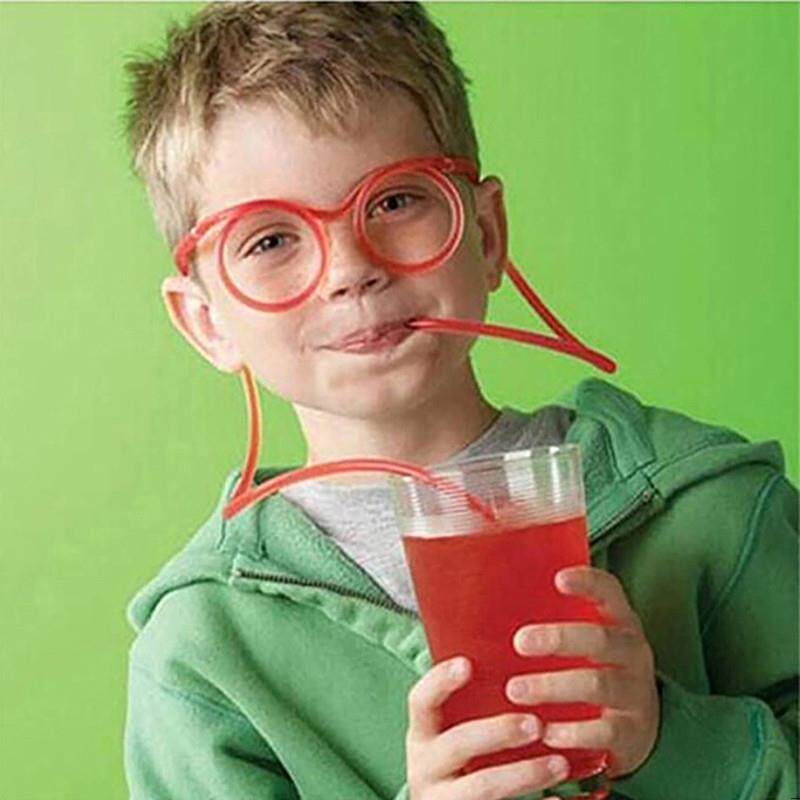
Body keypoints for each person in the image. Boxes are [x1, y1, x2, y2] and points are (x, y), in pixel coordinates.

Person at [121, 3, 798, 799]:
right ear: (206, 322)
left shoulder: (710, 508)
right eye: (269, 240)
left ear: (486, 234)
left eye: (394, 202)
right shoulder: (203, 655)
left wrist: (670, 741)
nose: (350, 269)